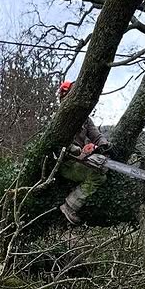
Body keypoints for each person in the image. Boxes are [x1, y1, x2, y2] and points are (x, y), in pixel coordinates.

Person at [57, 79, 111, 224]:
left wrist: (104, 145)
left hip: (80, 160)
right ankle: (70, 204)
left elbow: (97, 136)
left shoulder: (85, 120)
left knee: (102, 164)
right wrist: (80, 151)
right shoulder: (59, 120)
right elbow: (62, 144)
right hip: (66, 164)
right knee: (98, 176)